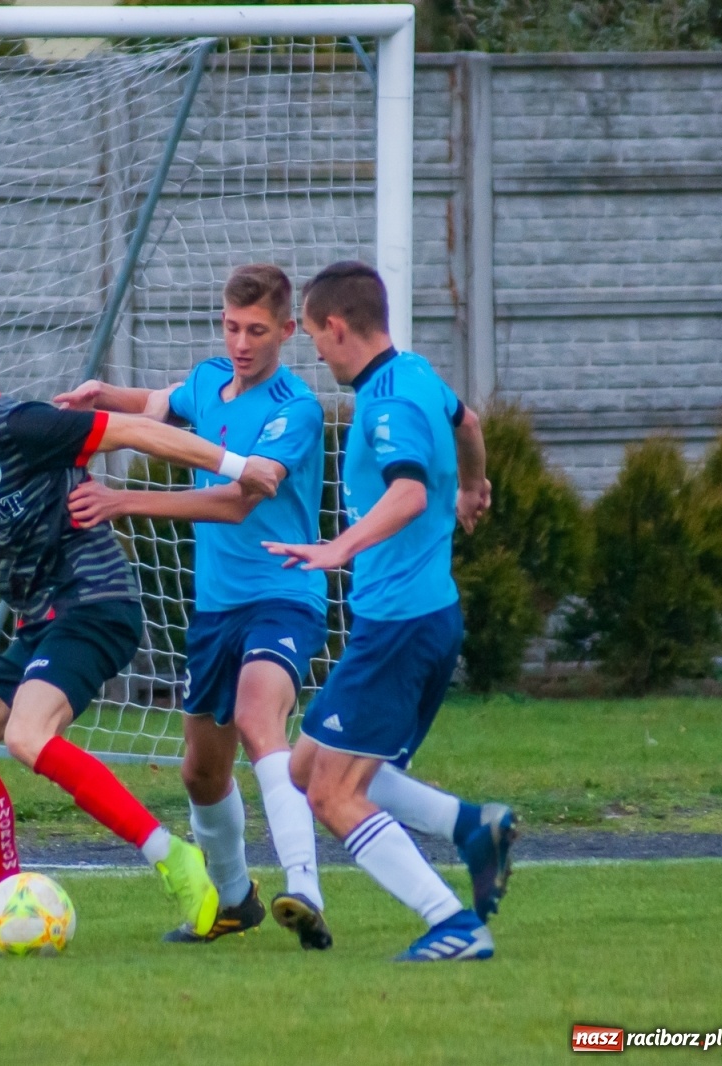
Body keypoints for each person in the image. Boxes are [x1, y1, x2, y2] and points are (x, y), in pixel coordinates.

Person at [0, 330, 283, 950]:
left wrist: (236, 465)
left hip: (95, 607)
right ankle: (2, 911)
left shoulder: (23, 424)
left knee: (26, 736)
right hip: (46, 621)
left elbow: (134, 431)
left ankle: (176, 860)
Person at [54, 264, 335, 949]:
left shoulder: (294, 410)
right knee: (201, 770)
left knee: (258, 717)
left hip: (282, 594)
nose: (242, 343)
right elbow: (164, 403)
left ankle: (304, 887)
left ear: (289, 331)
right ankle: (237, 900)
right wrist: (105, 396)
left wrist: (124, 501)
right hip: (215, 610)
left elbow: (235, 500)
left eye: (258, 331)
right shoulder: (211, 378)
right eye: (232, 327)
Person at [264, 261, 517, 962]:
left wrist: (337, 548)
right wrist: (473, 486)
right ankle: (472, 827)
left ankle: (453, 923)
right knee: (304, 764)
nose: (314, 350)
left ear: (338, 327)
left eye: (314, 334)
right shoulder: (416, 377)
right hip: (417, 619)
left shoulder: (386, 405)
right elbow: (467, 422)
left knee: (331, 794)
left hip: (399, 628)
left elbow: (405, 493)